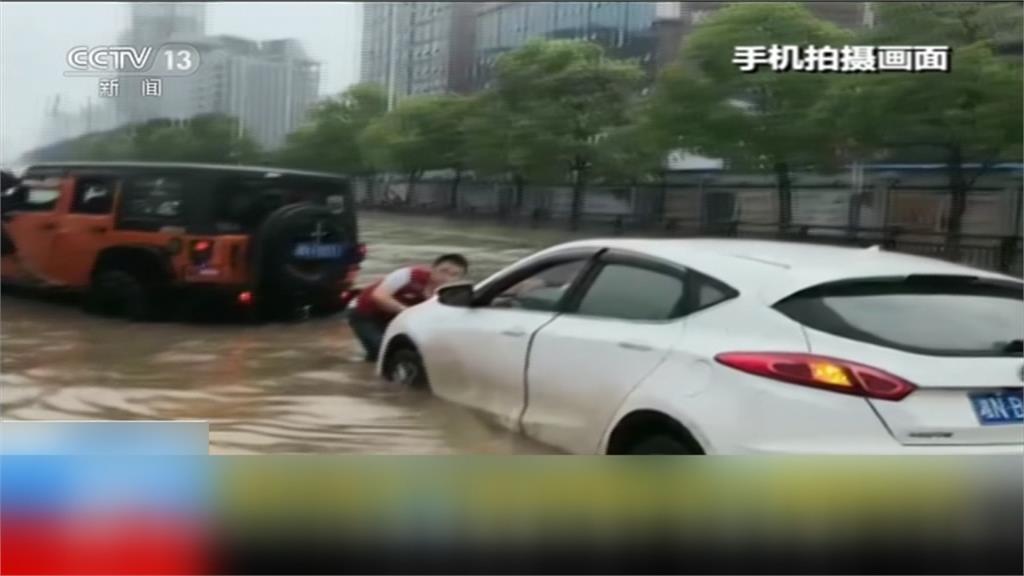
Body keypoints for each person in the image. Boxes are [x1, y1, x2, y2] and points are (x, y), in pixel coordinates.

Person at [349, 253, 469, 362]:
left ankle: (368, 369)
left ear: (460, 279)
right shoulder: (408, 275)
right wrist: (407, 311)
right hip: (363, 311)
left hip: (394, 318)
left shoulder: (451, 294)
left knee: (400, 352)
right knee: (384, 352)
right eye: (443, 271)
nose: (446, 277)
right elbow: (379, 296)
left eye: (454, 275)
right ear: (432, 269)